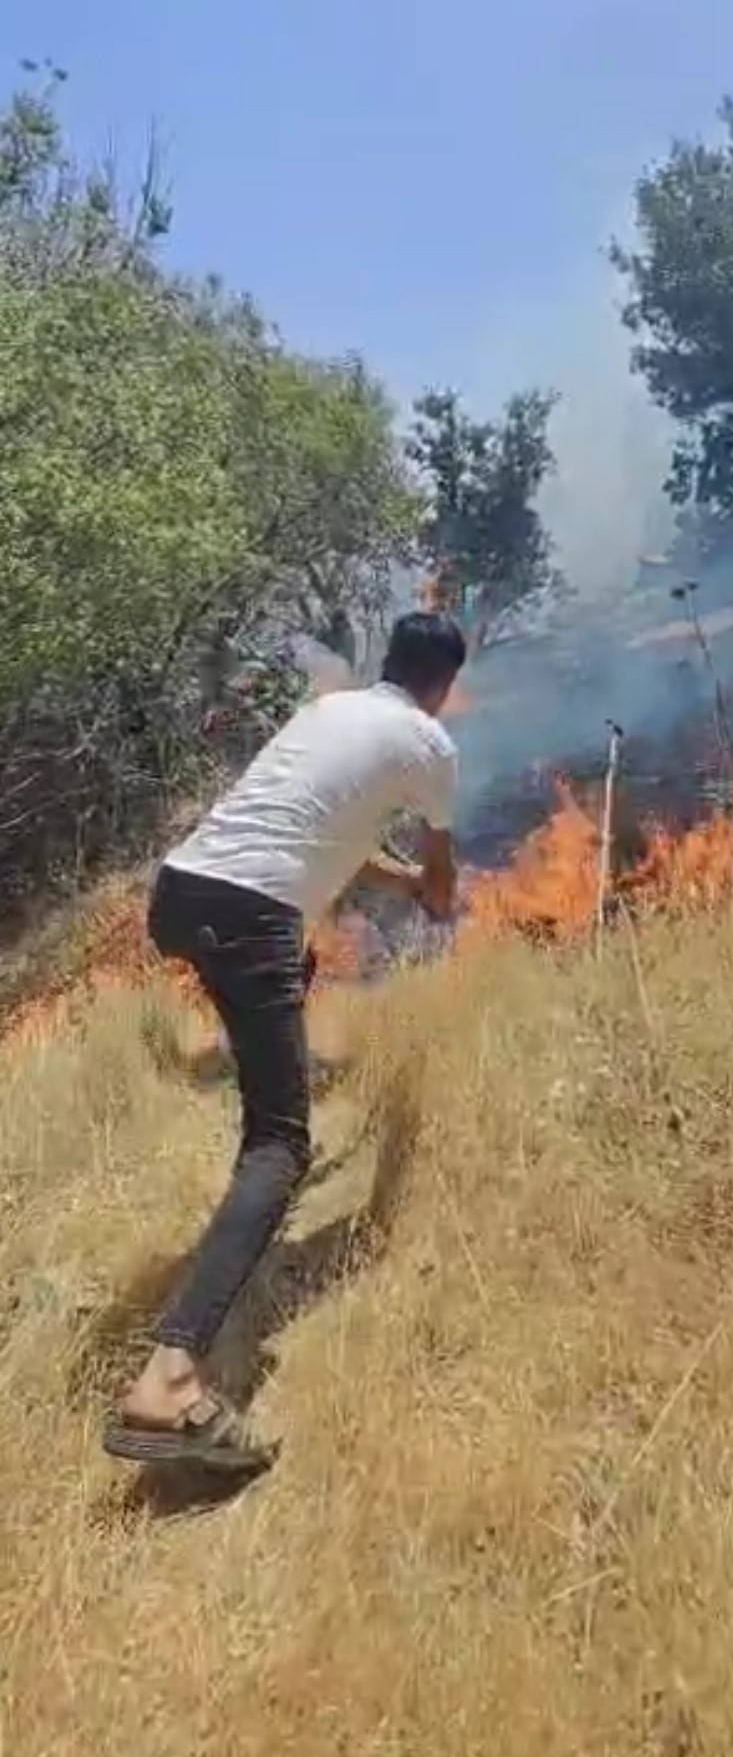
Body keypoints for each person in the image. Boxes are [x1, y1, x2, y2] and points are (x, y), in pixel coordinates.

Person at [103, 611, 467, 1477]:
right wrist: (433, 889)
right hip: (251, 913)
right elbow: (441, 874)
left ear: (388, 662)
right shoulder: (427, 742)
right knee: (281, 1146)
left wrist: (398, 877)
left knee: (277, 1053)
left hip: (186, 890)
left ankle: (266, 1114)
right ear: (444, 683)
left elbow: (333, 836)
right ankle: (171, 1381)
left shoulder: (330, 711)